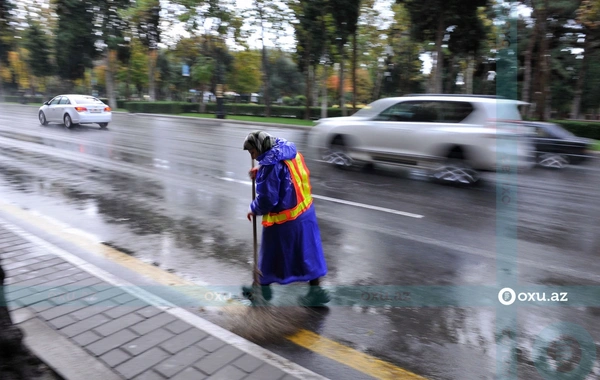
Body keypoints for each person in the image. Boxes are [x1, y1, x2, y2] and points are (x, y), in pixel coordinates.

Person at [242, 130, 330, 307]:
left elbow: (268, 199)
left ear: (260, 148)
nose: (253, 156)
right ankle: (317, 292)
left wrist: (253, 209)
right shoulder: (289, 151)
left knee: (269, 256)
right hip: (305, 213)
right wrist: (260, 173)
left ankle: (260, 293)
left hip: (285, 221)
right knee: (308, 253)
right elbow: (286, 176)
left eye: (252, 152)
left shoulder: (270, 167)